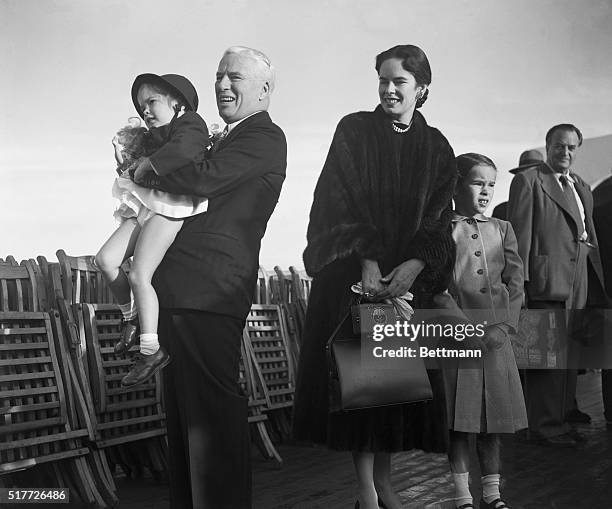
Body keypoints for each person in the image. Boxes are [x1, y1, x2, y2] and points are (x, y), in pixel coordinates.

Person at [292, 44, 457, 509]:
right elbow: (333, 202)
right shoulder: (354, 131)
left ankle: (386, 483)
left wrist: (417, 265)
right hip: (354, 281)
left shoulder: (437, 147)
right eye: (382, 79)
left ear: (421, 88)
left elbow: (440, 222)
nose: (388, 88)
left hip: (404, 289)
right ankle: (365, 488)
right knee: (361, 387)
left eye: (399, 81)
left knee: (393, 390)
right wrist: (365, 259)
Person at [132, 46, 286, 509]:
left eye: (234, 77)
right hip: (182, 293)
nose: (221, 85)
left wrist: (146, 171)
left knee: (211, 421)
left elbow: (202, 180)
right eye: (218, 75)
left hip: (212, 292)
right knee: (183, 422)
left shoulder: (265, 137)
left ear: (263, 90)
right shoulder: (224, 137)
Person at [95, 73, 209, 387]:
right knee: (105, 260)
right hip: (146, 203)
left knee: (139, 274)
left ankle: (151, 350)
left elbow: (184, 151)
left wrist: (146, 166)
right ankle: (130, 315)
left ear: (177, 103)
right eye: (141, 105)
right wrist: (125, 159)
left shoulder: (191, 124)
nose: (146, 110)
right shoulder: (152, 136)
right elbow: (136, 169)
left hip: (172, 206)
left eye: (152, 102)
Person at [507, 124, 606, 446]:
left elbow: (588, 235)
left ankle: (561, 421)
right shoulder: (529, 180)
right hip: (544, 280)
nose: (565, 153)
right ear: (548, 146)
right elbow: (520, 236)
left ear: (578, 149)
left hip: (579, 280)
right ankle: (545, 426)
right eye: (559, 146)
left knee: (568, 358)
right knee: (545, 358)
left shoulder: (582, 186)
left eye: (571, 147)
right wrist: (517, 286)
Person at [440, 153, 527, 509]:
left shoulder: (502, 228)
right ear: (457, 184)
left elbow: (516, 282)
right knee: (460, 422)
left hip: (497, 341)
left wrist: (505, 326)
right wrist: (465, 330)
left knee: (493, 421)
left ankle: (492, 495)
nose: (487, 190)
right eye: (478, 182)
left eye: (492, 184)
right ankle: (462, 497)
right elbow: (439, 289)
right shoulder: (444, 230)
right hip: (458, 340)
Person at [491, 150, 543, 220]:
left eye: (533, 176)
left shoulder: (553, 210)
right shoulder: (501, 211)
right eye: (523, 176)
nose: (528, 181)